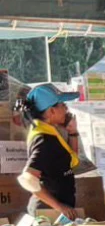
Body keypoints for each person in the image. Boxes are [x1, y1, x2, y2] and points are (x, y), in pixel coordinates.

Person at [17, 84, 84, 218]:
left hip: (55, 210)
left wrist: (72, 133)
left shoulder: (50, 132)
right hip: (48, 212)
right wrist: (59, 207)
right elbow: (28, 179)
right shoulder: (44, 139)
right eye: (62, 105)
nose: (66, 109)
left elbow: (69, 161)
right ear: (51, 111)